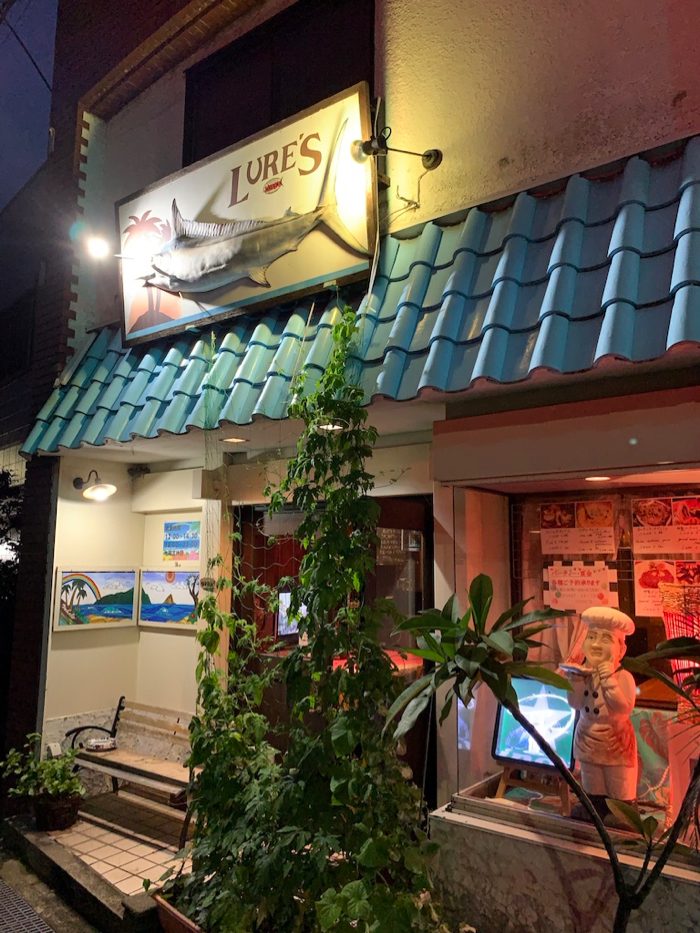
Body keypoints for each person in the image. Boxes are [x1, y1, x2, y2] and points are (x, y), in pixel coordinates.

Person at [565, 606, 637, 823]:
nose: (596, 644)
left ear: (621, 649)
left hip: (616, 738)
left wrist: (608, 680)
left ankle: (621, 812)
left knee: (618, 781)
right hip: (587, 735)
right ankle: (594, 807)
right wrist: (575, 681)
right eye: (591, 637)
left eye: (606, 639)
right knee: (592, 777)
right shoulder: (584, 674)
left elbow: (623, 708)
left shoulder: (623, 677)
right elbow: (575, 703)